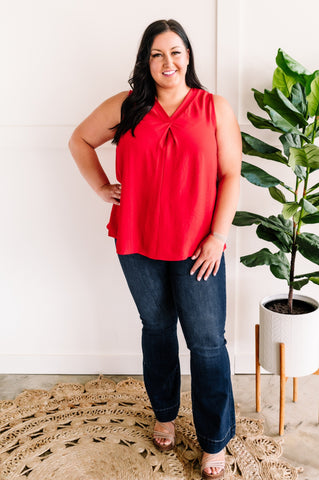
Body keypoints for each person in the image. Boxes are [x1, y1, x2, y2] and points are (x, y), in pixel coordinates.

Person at [69, 19, 242, 479]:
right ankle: (164, 413)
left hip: (198, 249)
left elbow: (231, 176)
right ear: (147, 61)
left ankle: (214, 439)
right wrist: (104, 187)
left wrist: (218, 237)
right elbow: (80, 139)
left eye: (176, 52)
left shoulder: (214, 108)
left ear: (189, 56)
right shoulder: (127, 106)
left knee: (207, 345)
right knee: (158, 329)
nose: (169, 62)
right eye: (158, 54)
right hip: (138, 242)